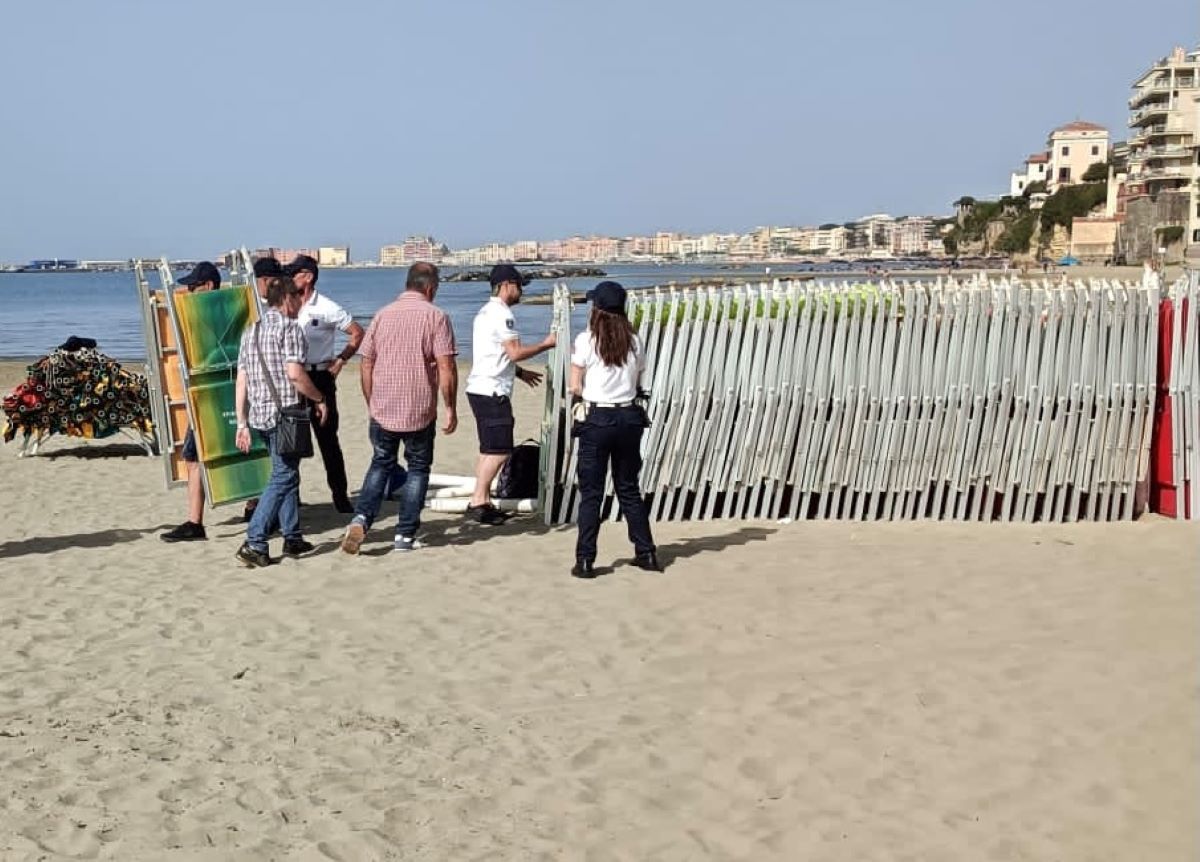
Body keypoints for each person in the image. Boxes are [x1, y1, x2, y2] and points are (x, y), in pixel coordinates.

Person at [340, 262, 457, 555]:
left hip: (383, 405)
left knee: (381, 462)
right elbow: (447, 366)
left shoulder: (382, 315)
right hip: (419, 407)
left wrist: (371, 399)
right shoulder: (436, 316)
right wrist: (450, 407)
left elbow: (366, 363)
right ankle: (404, 534)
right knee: (418, 468)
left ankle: (362, 518)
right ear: (430, 288)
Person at [233, 276, 329, 567]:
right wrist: (319, 399)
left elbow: (242, 379)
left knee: (285, 472)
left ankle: (293, 535)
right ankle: (255, 540)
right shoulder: (290, 329)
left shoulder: (251, 331)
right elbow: (295, 374)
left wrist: (241, 422)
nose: (302, 301)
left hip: (260, 414)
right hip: (285, 414)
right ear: (287, 298)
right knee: (284, 476)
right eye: (298, 296)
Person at [569, 280, 659, 578]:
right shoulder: (635, 341)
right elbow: (638, 380)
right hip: (629, 417)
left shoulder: (587, 340)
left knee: (592, 492)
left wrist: (580, 395)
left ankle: (585, 560)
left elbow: (574, 384)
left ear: (596, 309)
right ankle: (645, 552)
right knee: (628, 488)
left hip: (598, 419)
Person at [463, 263, 555, 524]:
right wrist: (546, 344)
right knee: (500, 450)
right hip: (492, 391)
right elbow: (513, 352)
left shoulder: (484, 312)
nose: (521, 292)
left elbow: (494, 354)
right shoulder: (503, 315)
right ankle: (478, 501)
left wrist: (520, 373)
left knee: (488, 449)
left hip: (480, 387)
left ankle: (482, 499)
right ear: (506, 286)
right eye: (518, 286)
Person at [284, 254, 364, 513]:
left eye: (294, 273)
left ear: (307, 276)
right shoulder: (286, 304)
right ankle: (291, 498)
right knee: (291, 439)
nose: (289, 278)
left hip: (320, 376)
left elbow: (357, 332)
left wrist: (341, 360)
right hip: (294, 376)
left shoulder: (327, 306)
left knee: (328, 439)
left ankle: (340, 495)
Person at [161, 261, 222, 542]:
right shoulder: (227, 310)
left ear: (207, 286)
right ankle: (254, 506)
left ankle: (194, 522)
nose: (188, 292)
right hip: (219, 393)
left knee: (193, 456)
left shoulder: (205, 315)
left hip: (208, 395)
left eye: (193, 287)